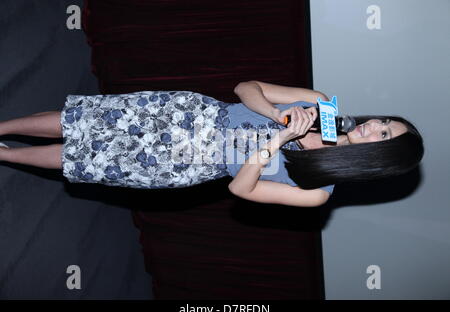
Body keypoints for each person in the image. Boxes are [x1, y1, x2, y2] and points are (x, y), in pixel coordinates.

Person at [0, 81, 424, 207]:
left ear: (378, 158)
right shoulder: (320, 104)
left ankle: (8, 155)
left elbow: (241, 189)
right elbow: (246, 88)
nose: (374, 127)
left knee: (85, 157)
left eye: (384, 135)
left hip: (188, 162)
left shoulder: (317, 192)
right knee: (81, 120)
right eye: (383, 122)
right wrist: (280, 116)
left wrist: (280, 139)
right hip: (195, 115)